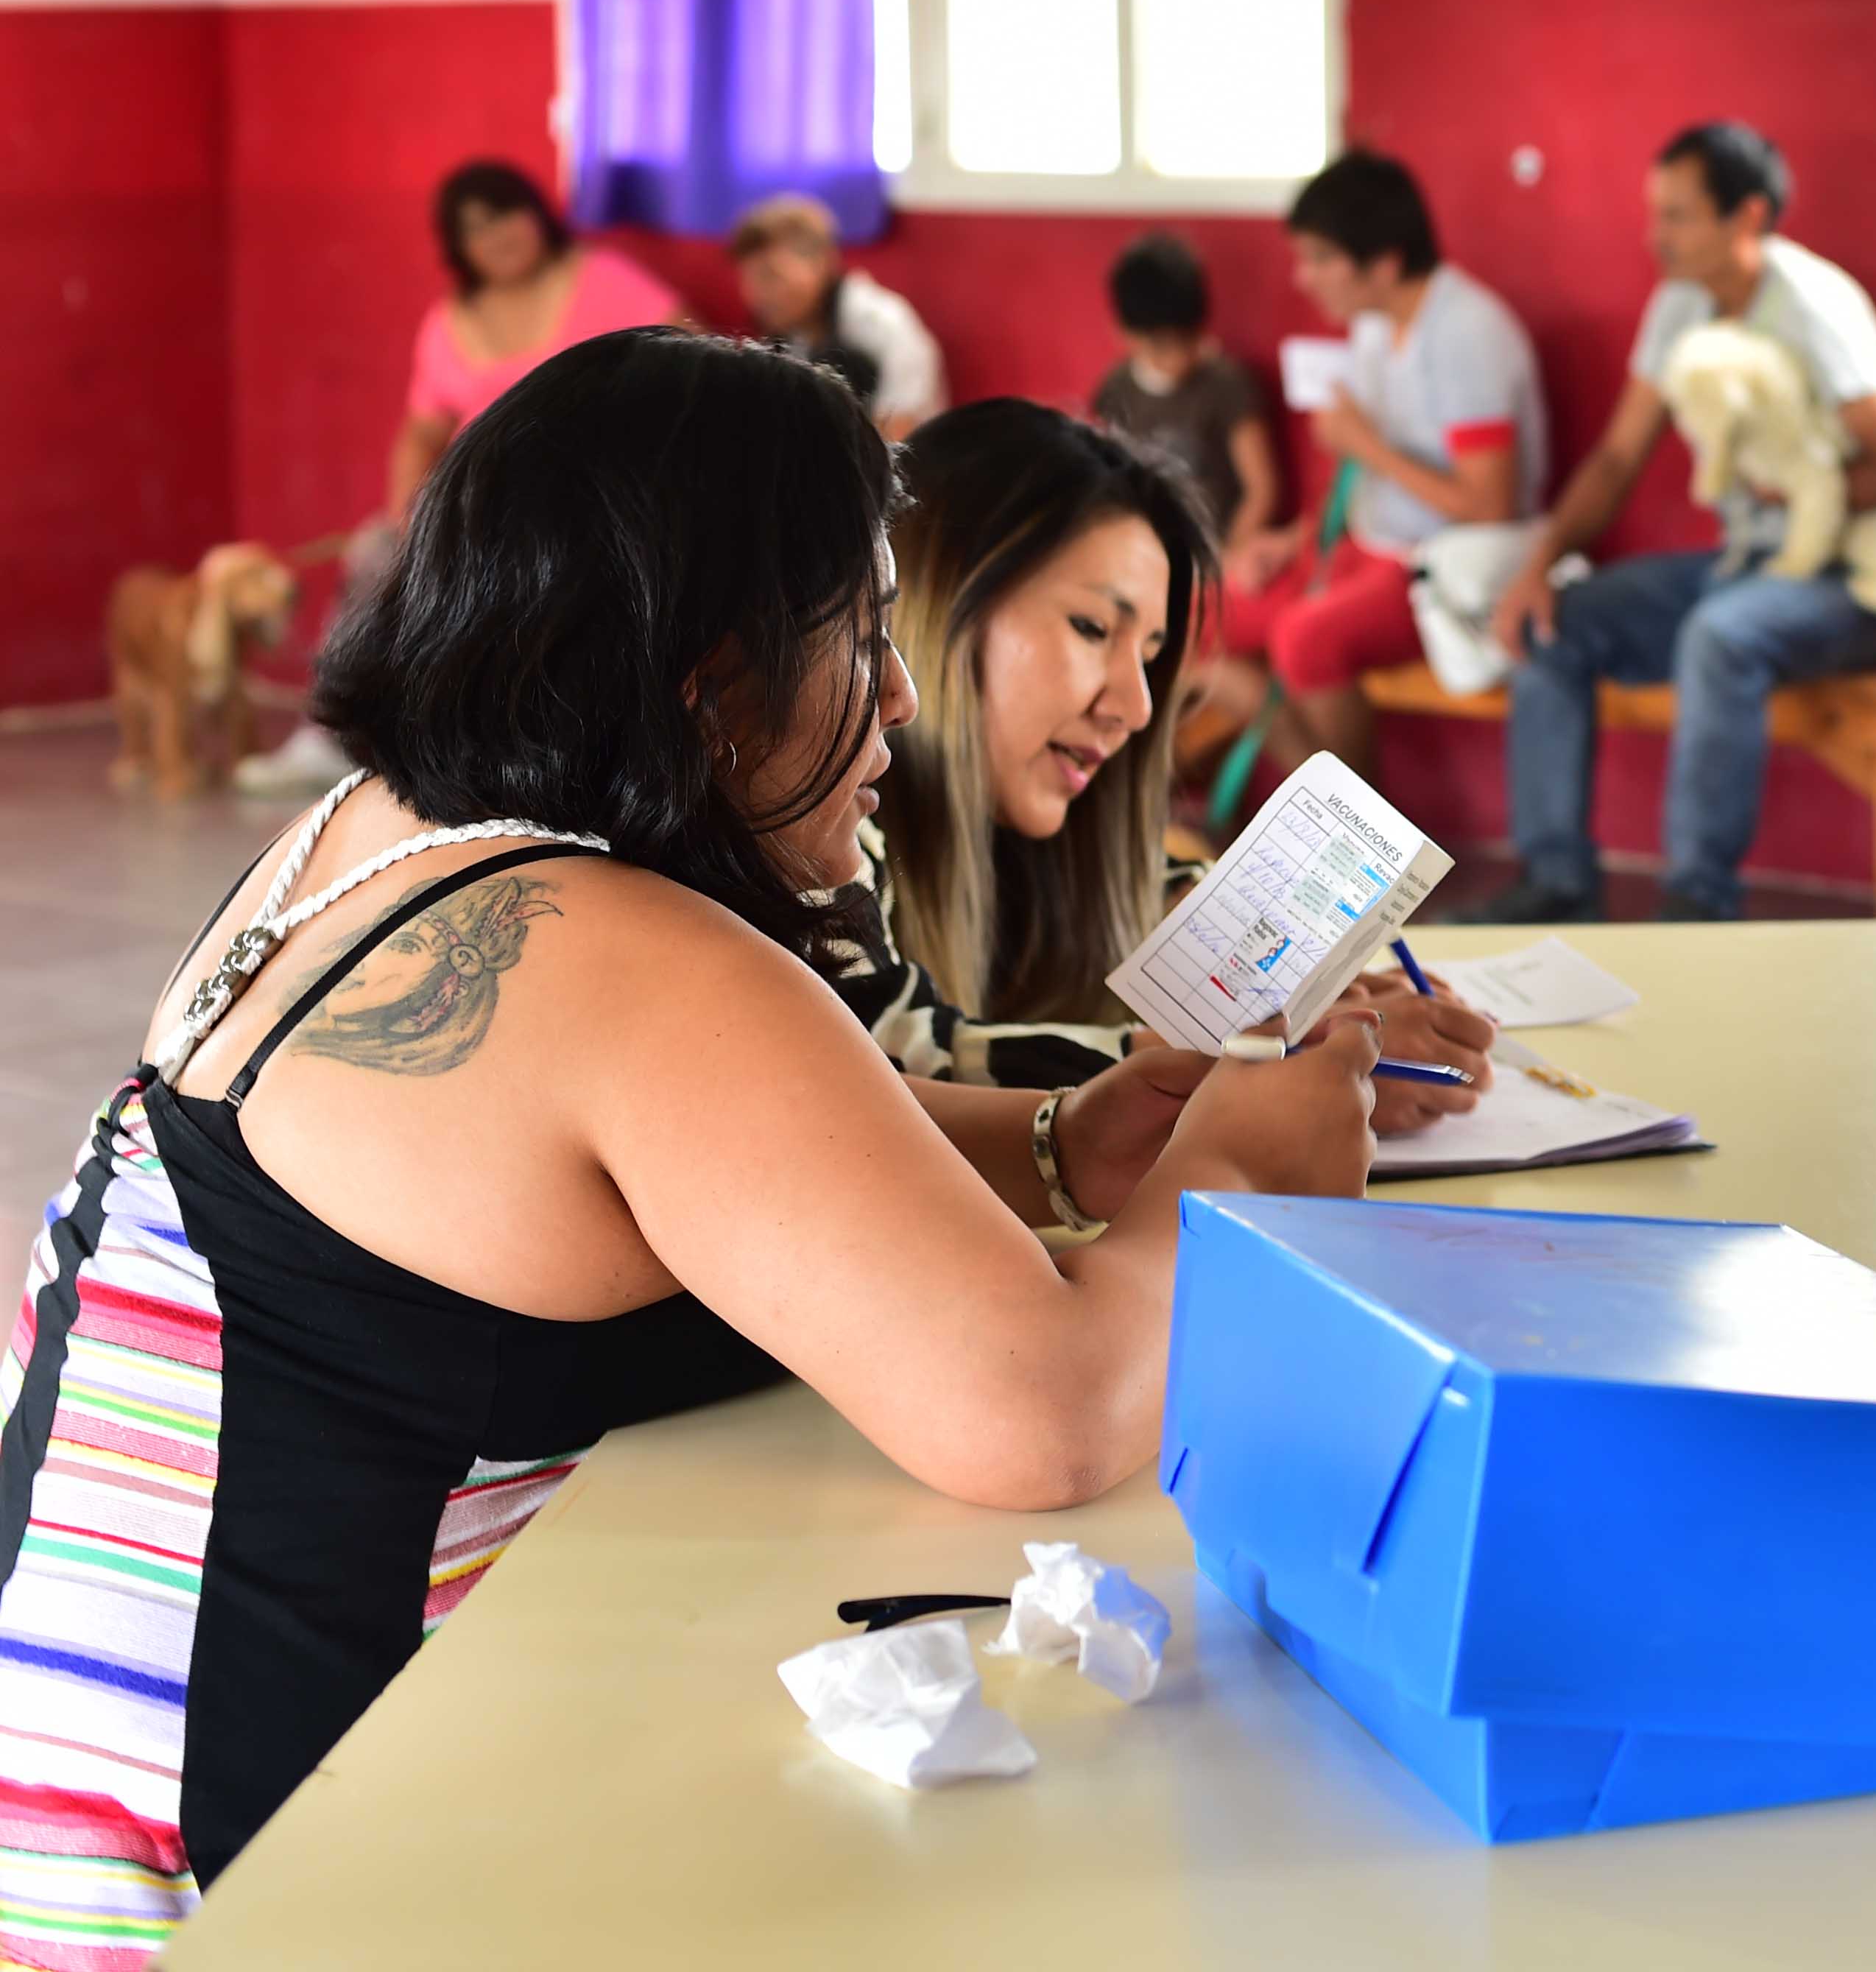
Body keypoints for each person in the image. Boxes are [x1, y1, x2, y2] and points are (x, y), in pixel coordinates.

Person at [0, 329, 1380, 1941]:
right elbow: (1049, 1415)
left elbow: (700, 1153)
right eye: (861, 635)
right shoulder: (622, 950)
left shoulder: (387, 836)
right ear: (706, 671)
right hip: (236, 1874)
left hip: (78, 1779)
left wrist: (1071, 1140)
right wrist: (1245, 1162)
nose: (902, 697)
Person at [841, 398, 1488, 1125]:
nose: (1136, 706)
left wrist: (1317, 993)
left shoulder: (1035, 815)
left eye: (1150, 657)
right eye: (1092, 628)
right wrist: (1269, 1067)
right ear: (935, 599)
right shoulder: (824, 832)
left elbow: (1162, 890)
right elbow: (898, 1064)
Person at [1467, 124, 1876, 924]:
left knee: (1718, 637)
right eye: (1654, 214)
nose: (1655, 236)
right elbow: (1618, 459)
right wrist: (1540, 563)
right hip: (1750, 562)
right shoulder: (1681, 303)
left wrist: (1794, 497)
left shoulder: (1811, 307)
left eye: (1678, 216)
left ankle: (1698, 904)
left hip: (1857, 579)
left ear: (1748, 217)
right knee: (1559, 622)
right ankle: (1553, 880)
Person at [239, 160, 683, 796]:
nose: (498, 237)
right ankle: (336, 733)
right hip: (479, 504)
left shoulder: (605, 281)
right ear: (459, 247)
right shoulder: (451, 321)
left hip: (589, 499)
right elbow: (421, 431)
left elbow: (687, 362)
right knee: (377, 551)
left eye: (507, 214)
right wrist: (408, 511)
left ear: (536, 214)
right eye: (477, 229)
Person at [1192, 151, 1545, 779]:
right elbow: (1365, 483)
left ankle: (1358, 853)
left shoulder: (1467, 334)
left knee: (1306, 640)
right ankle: (1336, 821)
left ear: (1384, 263)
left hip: (1440, 569)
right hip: (1366, 550)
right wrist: (1293, 540)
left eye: (1322, 259)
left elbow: (1489, 506)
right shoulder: (1376, 324)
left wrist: (1367, 445)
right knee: (1196, 611)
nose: (1305, 278)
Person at [1087, 230, 1280, 555]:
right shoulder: (1115, 389)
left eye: (1188, 341)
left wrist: (1227, 558)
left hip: (1213, 552)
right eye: (1161, 347)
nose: (1178, 359)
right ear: (1125, 335)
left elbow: (1262, 489)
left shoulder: (1227, 385)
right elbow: (1103, 481)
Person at [731, 191, 945, 440]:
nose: (757, 294)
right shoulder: (793, 336)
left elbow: (900, 437)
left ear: (821, 263)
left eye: (771, 276)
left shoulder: (884, 325)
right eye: (748, 279)